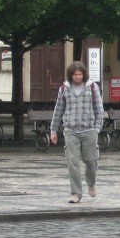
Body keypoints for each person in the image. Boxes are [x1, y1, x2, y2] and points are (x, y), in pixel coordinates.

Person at [50, 61, 104, 203]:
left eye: (80, 74)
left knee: (91, 161)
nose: (78, 77)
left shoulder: (92, 87)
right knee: (72, 162)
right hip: (70, 130)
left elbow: (99, 109)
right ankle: (75, 193)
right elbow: (58, 110)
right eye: (75, 75)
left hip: (89, 130)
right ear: (71, 75)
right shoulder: (64, 88)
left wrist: (96, 129)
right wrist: (53, 130)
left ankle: (91, 183)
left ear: (84, 75)